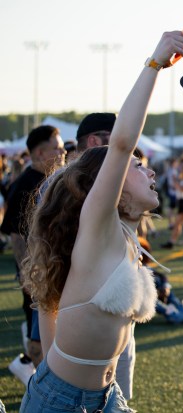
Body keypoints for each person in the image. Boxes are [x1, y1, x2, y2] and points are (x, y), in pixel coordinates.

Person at [19, 29, 183, 412]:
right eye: (138, 167)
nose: (150, 172)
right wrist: (155, 64)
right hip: (62, 401)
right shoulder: (100, 228)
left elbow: (51, 303)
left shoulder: (125, 235)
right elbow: (124, 142)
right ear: (109, 188)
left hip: (106, 398)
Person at [2, 125, 66, 386]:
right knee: (40, 339)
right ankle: (42, 387)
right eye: (57, 147)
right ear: (40, 153)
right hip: (38, 278)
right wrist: (28, 277)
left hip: (55, 273)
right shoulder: (24, 186)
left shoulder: (56, 180)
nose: (63, 151)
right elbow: (16, 235)